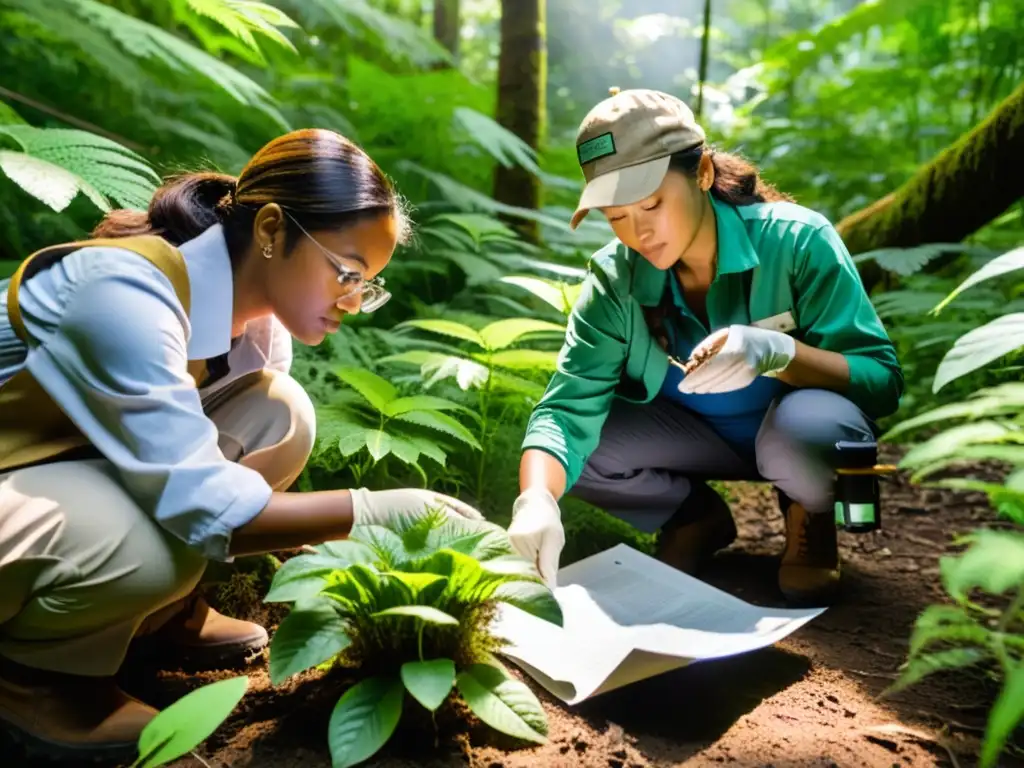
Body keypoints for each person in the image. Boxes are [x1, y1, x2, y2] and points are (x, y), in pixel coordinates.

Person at [0, 128, 485, 761]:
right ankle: (38, 678)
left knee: (280, 415)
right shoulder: (121, 291)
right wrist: (374, 511)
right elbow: (206, 507)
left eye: (368, 285)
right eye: (347, 272)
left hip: (54, 463)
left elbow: (193, 464)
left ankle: (153, 615)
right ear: (271, 230)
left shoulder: (254, 324)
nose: (353, 302)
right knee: (153, 546)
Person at [507, 88, 902, 607]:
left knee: (808, 427)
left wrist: (781, 353)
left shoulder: (799, 241)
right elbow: (565, 409)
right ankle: (693, 518)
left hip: (792, 431)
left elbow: (881, 383)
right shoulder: (615, 278)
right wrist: (535, 500)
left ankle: (809, 512)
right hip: (693, 436)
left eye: (651, 203)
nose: (638, 233)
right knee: (571, 452)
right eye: (616, 216)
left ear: (703, 174)